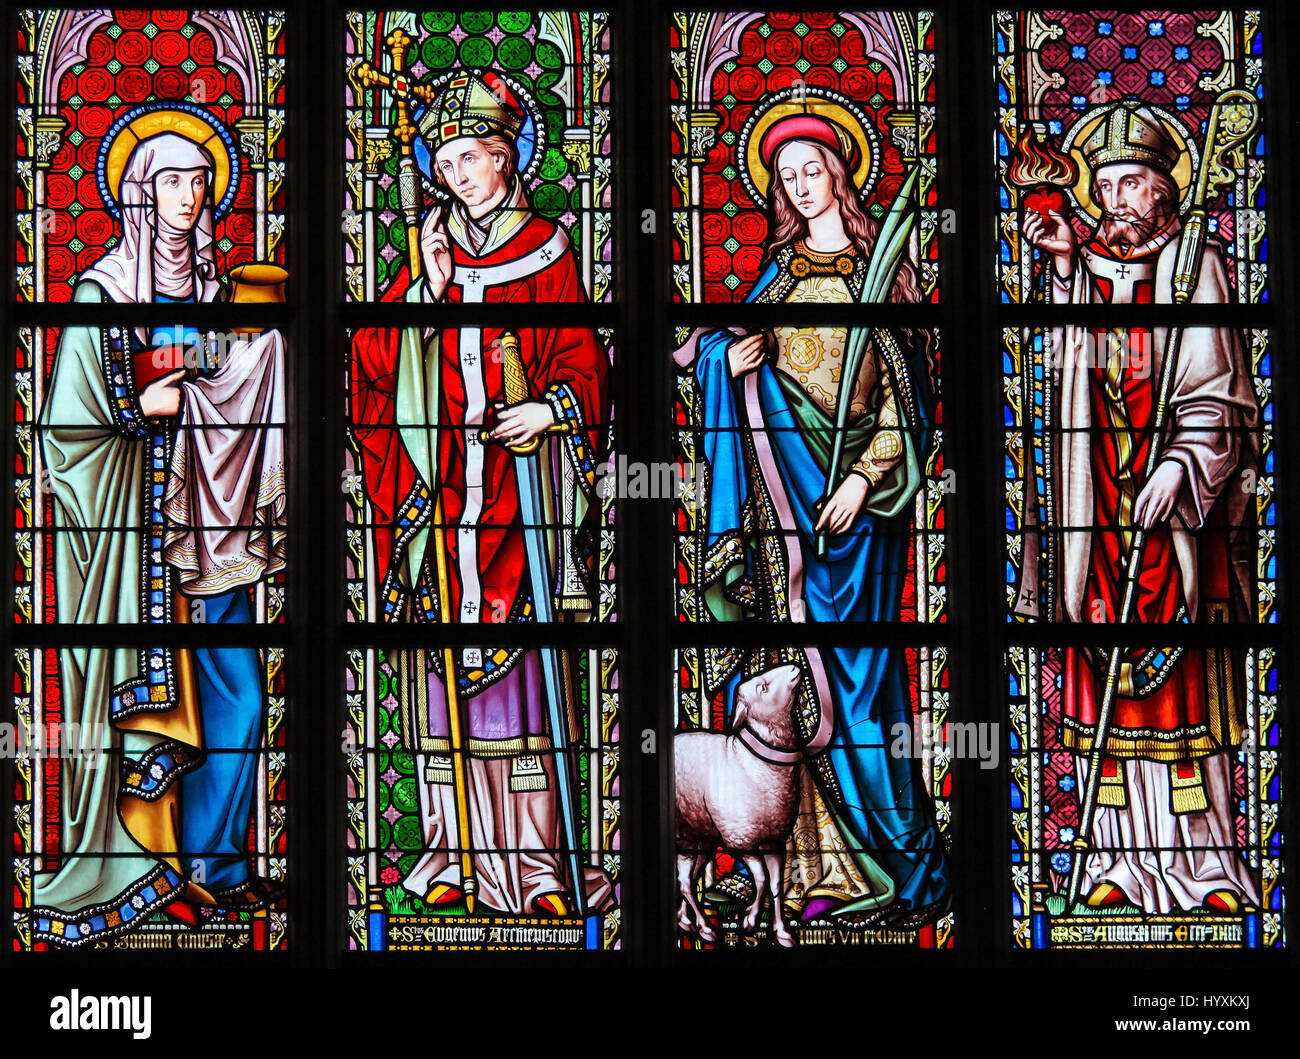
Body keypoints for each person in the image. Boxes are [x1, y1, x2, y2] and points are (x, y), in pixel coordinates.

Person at [350, 71, 613, 916]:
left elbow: (582, 357)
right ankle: (449, 853)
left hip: (516, 497)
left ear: (505, 158)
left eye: (470, 158)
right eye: (445, 161)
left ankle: (535, 865)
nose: (457, 175)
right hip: (436, 503)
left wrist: (550, 407)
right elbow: (370, 365)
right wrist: (425, 289)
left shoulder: (546, 248)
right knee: (440, 686)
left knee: (518, 685)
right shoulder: (429, 251)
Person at [683, 107, 949, 931]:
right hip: (778, 512)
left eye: (812, 169)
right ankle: (795, 872)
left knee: (857, 681)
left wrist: (865, 483)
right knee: (780, 674)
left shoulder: (884, 276)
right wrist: (733, 363)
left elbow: (912, 405)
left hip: (853, 522)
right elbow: (708, 364)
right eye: (785, 177)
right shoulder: (781, 277)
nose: (800, 186)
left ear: (842, 174)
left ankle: (889, 861)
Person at [31, 120, 284, 946]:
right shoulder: (100, 295)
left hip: (217, 529)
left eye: (201, 182)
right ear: (141, 191)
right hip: (129, 542)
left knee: (241, 701)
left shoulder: (219, 291)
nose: (191, 197)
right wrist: (143, 411)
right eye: (174, 181)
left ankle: (215, 867)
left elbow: (235, 388)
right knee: (157, 708)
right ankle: (144, 869)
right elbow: (67, 433)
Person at [1022, 100, 1261, 913]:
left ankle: (1205, 864)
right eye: (1109, 185)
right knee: (1107, 679)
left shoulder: (1201, 268)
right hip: (1102, 510)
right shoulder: (1093, 272)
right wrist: (1060, 271)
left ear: (1166, 190)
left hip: (1177, 521)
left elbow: (1223, 395)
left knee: (1185, 682)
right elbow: (1060, 369)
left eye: (1134, 184)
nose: (1117, 200)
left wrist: (1186, 462)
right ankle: (1116, 864)